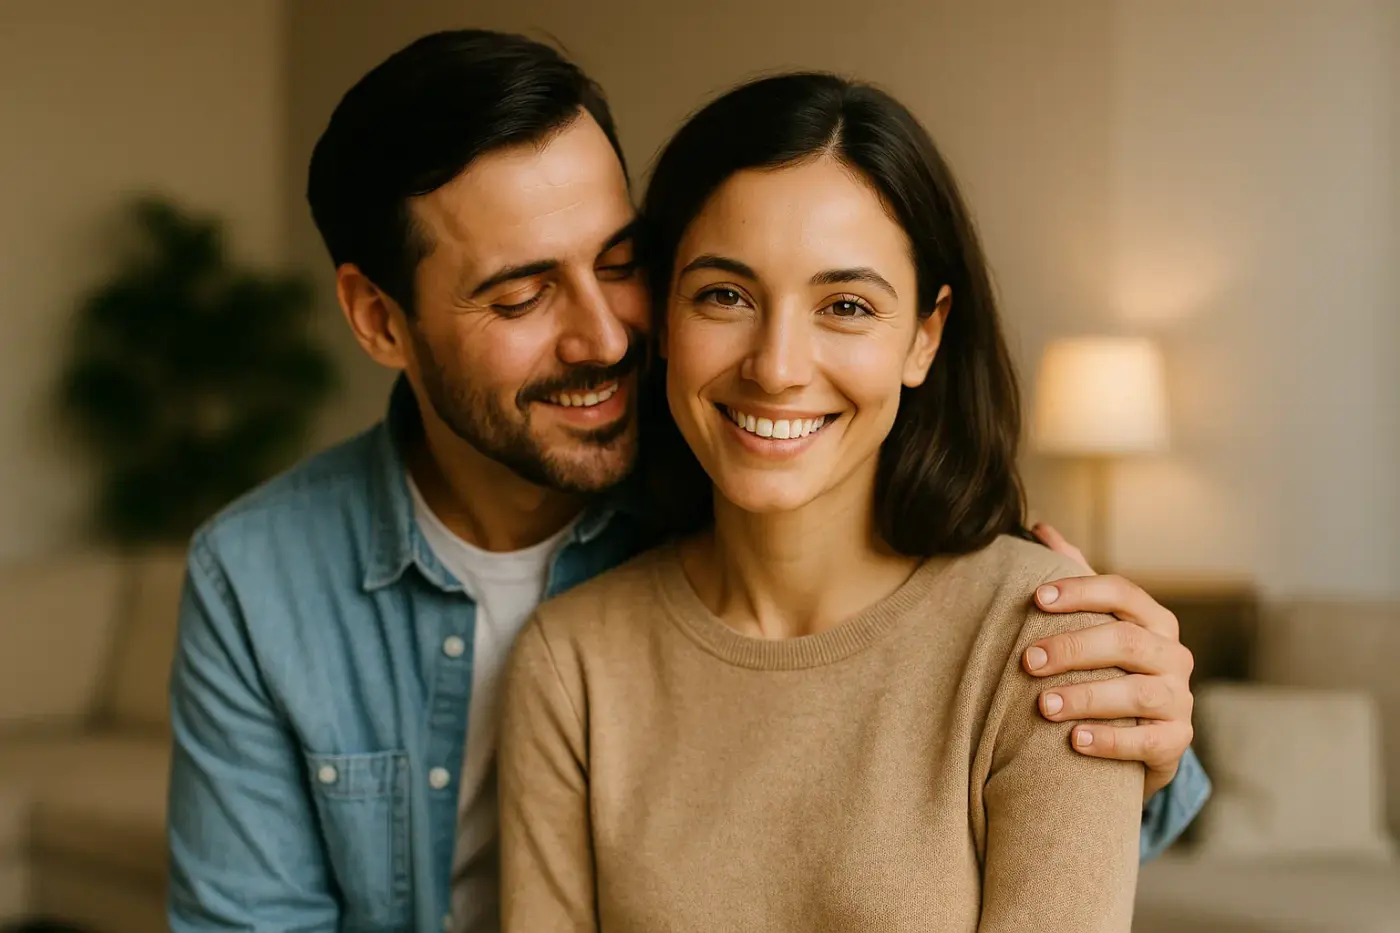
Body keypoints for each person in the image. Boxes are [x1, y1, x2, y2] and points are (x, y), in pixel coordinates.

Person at [166, 30, 1207, 933]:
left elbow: (1027, 745)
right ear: (379, 319)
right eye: (522, 292)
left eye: (620, 263)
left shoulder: (951, 587)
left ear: (922, 333)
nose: (603, 331)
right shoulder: (266, 579)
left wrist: (1143, 744)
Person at [498, 72, 1150, 931]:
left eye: (845, 305)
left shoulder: (1046, 650)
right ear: (663, 316)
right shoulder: (573, 661)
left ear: (925, 334)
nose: (776, 365)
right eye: (724, 295)